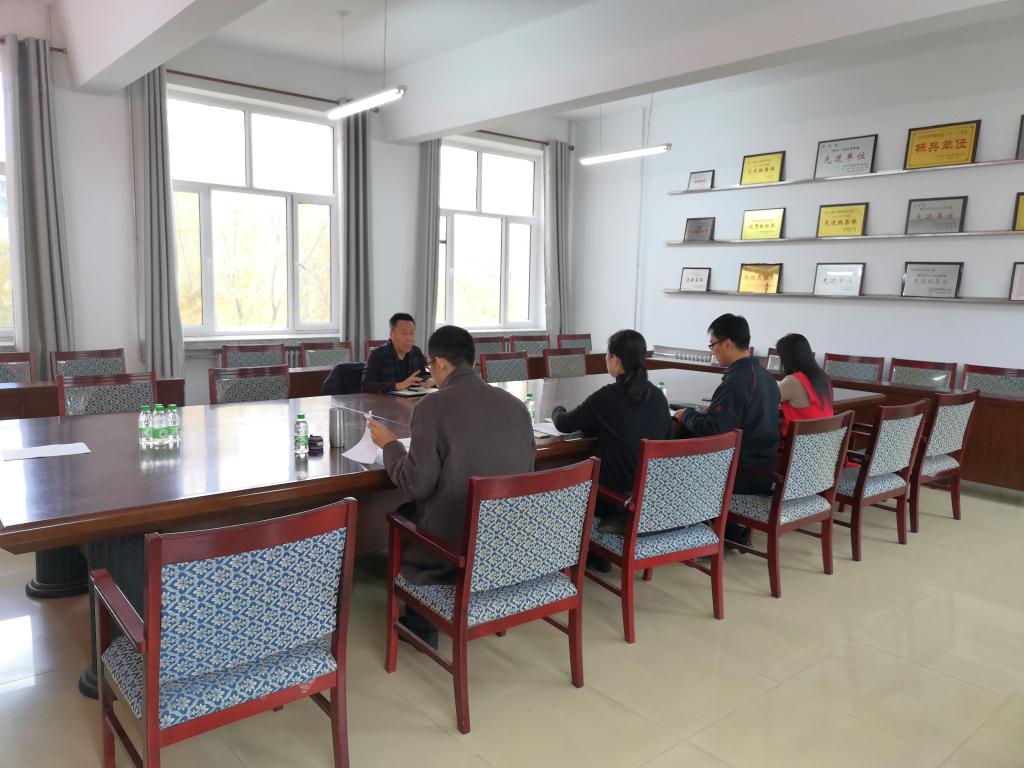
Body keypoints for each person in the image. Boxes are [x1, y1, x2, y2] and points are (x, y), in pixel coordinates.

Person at [368, 324, 535, 648]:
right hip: (507, 542)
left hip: (454, 551)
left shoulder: (432, 407)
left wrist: (391, 446)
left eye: (430, 365)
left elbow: (414, 485)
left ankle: (422, 620)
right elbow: (527, 471)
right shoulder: (516, 406)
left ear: (440, 363)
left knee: (404, 512)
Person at [551, 329, 673, 543]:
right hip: (650, 498)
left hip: (615, 499)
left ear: (615, 359)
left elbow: (564, 424)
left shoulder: (607, 397)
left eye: (608, 354)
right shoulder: (658, 396)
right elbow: (668, 440)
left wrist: (557, 409)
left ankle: (579, 547)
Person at [675, 313, 780, 548]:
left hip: (741, 472)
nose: (713, 351)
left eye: (713, 345)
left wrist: (687, 415)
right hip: (763, 466)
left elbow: (714, 430)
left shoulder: (737, 380)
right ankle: (731, 532)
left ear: (728, 343)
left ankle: (702, 537)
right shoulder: (766, 376)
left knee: (678, 464)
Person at [776, 333, 833, 435]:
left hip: (799, 442)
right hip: (824, 441)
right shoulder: (823, 378)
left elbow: (765, 400)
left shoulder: (793, 381)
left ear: (787, 358)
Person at [362, 313, 433, 393]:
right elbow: (366, 385)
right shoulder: (377, 354)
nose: (409, 338)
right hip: (386, 400)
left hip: (414, 399)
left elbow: (425, 374)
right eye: (404, 333)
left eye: (412, 333)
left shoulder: (416, 352)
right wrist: (397, 386)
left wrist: (431, 380)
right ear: (391, 334)